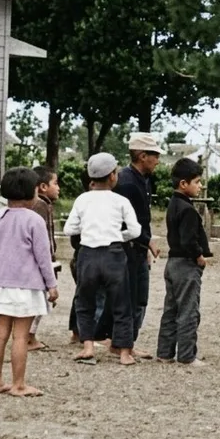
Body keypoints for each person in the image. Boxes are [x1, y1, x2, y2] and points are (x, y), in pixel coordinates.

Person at [0, 167, 58, 396]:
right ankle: (19, 384)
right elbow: (43, 257)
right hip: (26, 286)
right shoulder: (34, 220)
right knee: (20, 336)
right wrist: (52, 285)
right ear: (33, 192)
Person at [63, 153, 141, 366]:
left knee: (84, 301)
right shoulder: (121, 201)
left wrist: (87, 228)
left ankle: (88, 346)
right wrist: (119, 235)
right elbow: (135, 230)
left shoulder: (82, 199)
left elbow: (68, 228)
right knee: (122, 302)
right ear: (113, 176)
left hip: (88, 254)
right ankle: (125, 352)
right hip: (114, 254)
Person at [113, 133, 163, 358]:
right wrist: (146, 242)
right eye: (155, 155)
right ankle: (123, 343)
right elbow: (128, 221)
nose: (158, 161)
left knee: (138, 296)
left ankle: (126, 342)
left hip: (138, 246)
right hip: (129, 246)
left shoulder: (142, 180)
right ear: (143, 156)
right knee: (132, 296)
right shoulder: (126, 182)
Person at [157, 158, 211, 366]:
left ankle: (164, 352)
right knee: (189, 310)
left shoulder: (173, 204)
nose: (200, 186)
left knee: (171, 309)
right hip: (186, 265)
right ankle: (187, 355)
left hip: (172, 263)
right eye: (197, 182)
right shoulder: (188, 209)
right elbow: (189, 240)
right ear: (183, 184)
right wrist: (199, 256)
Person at [26, 165, 60, 352]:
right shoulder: (40, 205)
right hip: (42, 259)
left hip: (44, 257)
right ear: (42, 187)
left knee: (42, 299)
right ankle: (29, 337)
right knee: (41, 299)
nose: (58, 187)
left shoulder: (44, 204)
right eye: (55, 183)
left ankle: (30, 335)